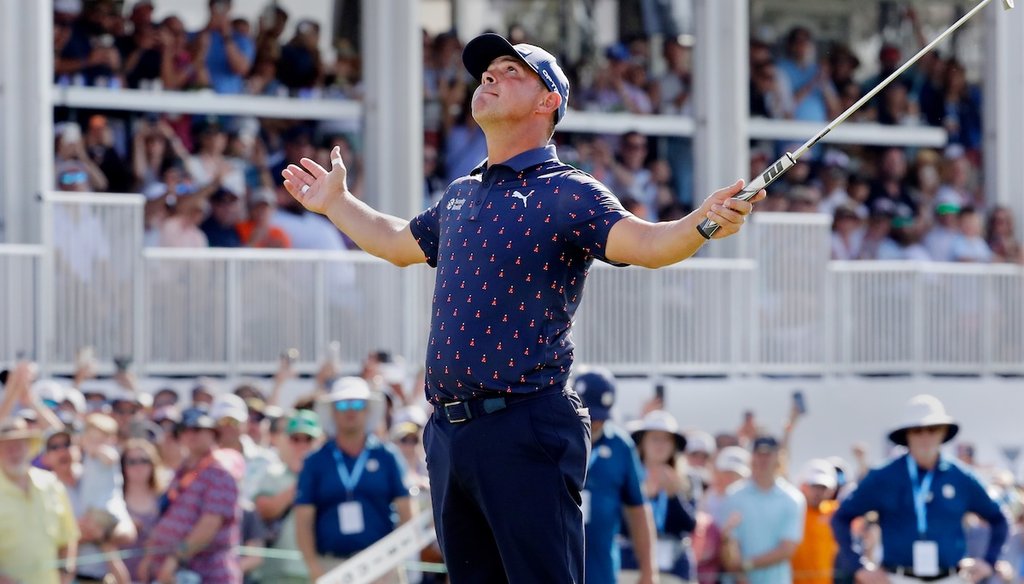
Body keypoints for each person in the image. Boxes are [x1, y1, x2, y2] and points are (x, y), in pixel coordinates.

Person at [280, 32, 762, 583]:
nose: (488, 76)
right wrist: (337, 204)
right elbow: (394, 242)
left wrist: (701, 223)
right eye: (487, 70)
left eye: (510, 70)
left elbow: (650, 244)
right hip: (449, 435)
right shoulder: (463, 192)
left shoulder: (570, 191)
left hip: (525, 424)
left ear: (547, 101)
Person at [832, 394, 1010, 584]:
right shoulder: (883, 476)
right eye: (917, 430)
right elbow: (841, 518)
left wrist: (989, 561)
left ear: (943, 432)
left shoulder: (961, 477)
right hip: (897, 577)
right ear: (907, 435)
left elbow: (999, 518)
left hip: (951, 577)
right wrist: (859, 567)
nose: (925, 436)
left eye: (933, 429)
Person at [294, 377, 413, 582]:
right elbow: (303, 519)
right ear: (332, 410)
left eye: (357, 403)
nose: (350, 410)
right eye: (342, 404)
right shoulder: (316, 460)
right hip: (331, 566)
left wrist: (395, 560)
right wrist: (314, 568)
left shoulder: (387, 456)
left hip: (381, 567)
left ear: (367, 409)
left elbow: (406, 512)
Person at [139, 408, 242, 584]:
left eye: (197, 429)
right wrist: (151, 556)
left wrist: (175, 559)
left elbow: (209, 525)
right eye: (185, 430)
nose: (190, 434)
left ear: (212, 433)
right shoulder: (184, 470)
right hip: (175, 572)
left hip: (209, 573)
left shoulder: (220, 472)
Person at [574, 368, 656, 584]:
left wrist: (648, 570)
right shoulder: (554, 439)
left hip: (602, 567)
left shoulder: (620, 445)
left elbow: (638, 509)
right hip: (555, 560)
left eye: (601, 416)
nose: (596, 422)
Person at [0, 417, 80, 584]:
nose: (13, 451)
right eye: (6, 446)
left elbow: (68, 536)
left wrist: (65, 575)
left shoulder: (52, 483)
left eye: (18, 444)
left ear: (29, 447)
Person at [720, 436, 805, 584]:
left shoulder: (793, 498)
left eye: (768, 454)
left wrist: (746, 565)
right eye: (758, 453)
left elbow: (787, 549)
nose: (763, 459)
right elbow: (730, 541)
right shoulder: (734, 495)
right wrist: (740, 575)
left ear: (778, 457)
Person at [626, 410, 698, 583]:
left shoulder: (687, 479)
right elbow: (621, 524)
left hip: (673, 567)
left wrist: (674, 496)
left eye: (666, 439)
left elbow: (689, 525)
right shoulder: (630, 476)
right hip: (632, 566)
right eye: (655, 439)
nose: (660, 445)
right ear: (642, 443)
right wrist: (642, 498)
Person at [253, 410, 323, 584]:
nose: (302, 445)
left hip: (318, 571)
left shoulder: (330, 477)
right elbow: (263, 511)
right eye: (295, 439)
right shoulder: (273, 474)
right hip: (278, 573)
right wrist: (302, 482)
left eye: (308, 439)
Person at [790, 460, 840, 584]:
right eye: (814, 486)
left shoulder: (835, 512)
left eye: (823, 487)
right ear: (803, 486)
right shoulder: (792, 510)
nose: (818, 492)